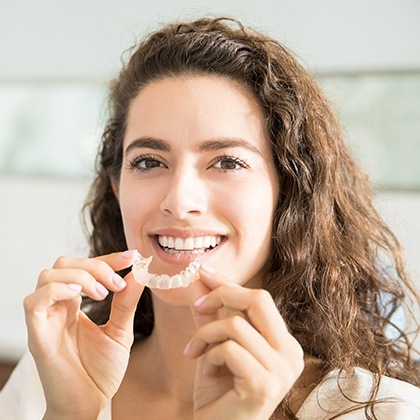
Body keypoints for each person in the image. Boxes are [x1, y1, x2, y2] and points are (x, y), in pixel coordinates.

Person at [1, 16, 419, 419]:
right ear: (117, 187)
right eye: (148, 162)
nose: (180, 202)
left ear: (289, 192)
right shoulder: (48, 383)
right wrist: (71, 414)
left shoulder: (381, 412)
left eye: (227, 162)